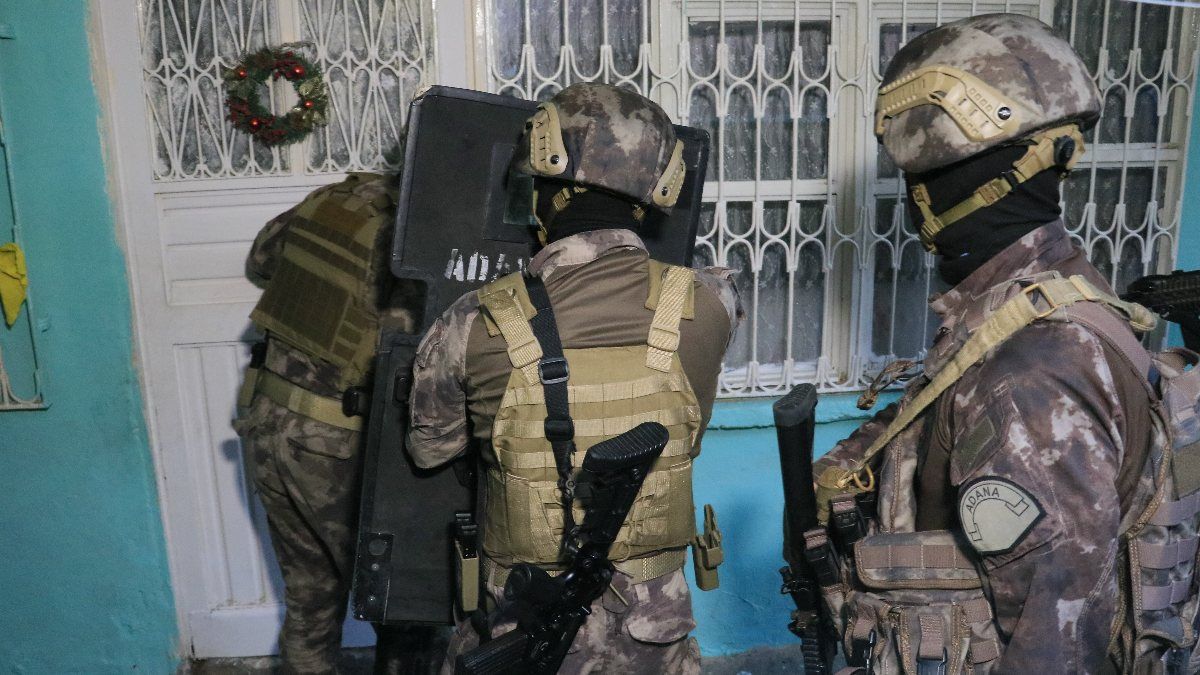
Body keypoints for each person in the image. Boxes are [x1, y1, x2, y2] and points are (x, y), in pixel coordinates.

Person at [810, 14, 1199, 673]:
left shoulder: (1030, 372)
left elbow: (1055, 646)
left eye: (919, 177)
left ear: (940, 187)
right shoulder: (1047, 296)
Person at [405, 83, 741, 674]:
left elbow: (429, 449)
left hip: (522, 627)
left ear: (543, 190)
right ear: (658, 190)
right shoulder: (714, 301)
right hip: (653, 632)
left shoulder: (472, 322)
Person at [235, 173, 426, 674]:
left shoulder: (337, 199)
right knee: (406, 609)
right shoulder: (419, 227)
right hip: (335, 444)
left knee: (310, 599)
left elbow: (261, 260)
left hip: (268, 421)